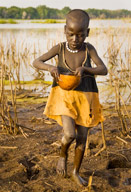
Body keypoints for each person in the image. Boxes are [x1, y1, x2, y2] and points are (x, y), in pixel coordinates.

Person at [33, 9, 108, 186]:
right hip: (64, 97)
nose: (75, 39)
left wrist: (85, 70)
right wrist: (51, 68)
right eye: (71, 34)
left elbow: (103, 69)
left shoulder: (89, 49)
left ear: (87, 33)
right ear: (65, 30)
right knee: (69, 134)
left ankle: (75, 172)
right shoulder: (59, 48)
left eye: (80, 35)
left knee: (82, 137)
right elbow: (36, 62)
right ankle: (63, 154)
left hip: (86, 98)